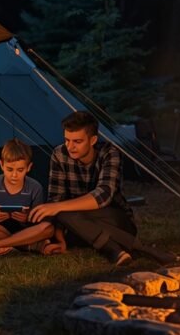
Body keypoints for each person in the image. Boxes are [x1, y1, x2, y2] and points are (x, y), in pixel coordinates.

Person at [28, 111, 136, 266]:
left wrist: (58, 207)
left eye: (77, 141)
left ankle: (111, 249)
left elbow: (103, 195)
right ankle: (112, 249)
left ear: (93, 140)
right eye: (67, 140)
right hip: (78, 223)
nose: (70, 147)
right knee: (63, 214)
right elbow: (56, 199)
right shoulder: (59, 154)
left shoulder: (109, 153)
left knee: (64, 211)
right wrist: (60, 239)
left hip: (113, 220)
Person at [0, 139, 62, 254]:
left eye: (20, 170)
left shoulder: (35, 187)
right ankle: (27, 245)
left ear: (29, 167)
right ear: (1, 165)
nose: (14, 175)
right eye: (9, 169)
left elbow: (39, 221)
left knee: (48, 228)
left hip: (25, 230)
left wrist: (27, 217)